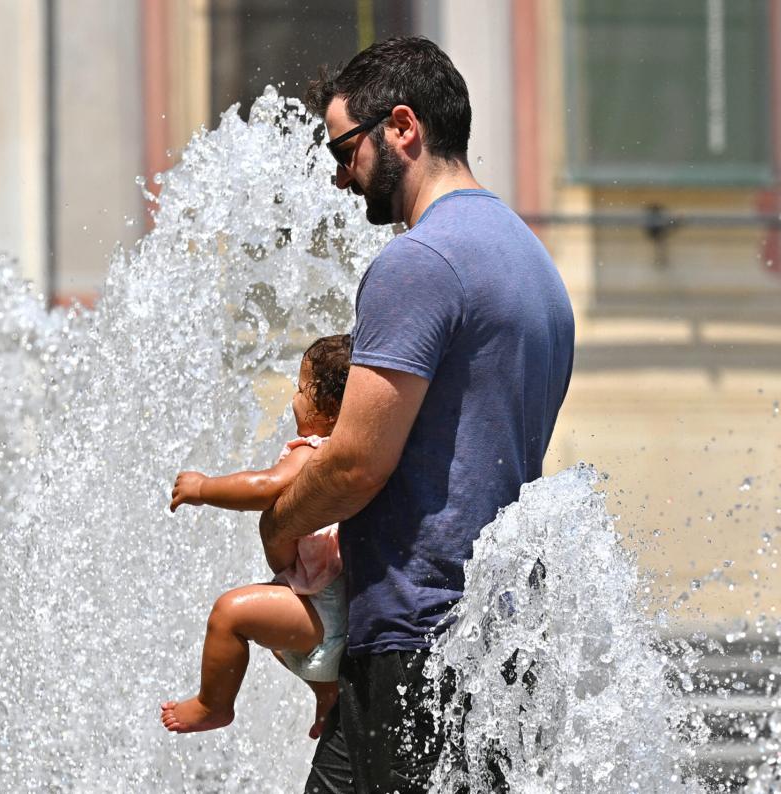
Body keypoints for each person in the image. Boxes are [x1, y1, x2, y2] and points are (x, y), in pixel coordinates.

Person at [258, 37, 576, 792]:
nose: (338, 175)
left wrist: (280, 521)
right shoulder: (532, 261)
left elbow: (356, 462)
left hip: (416, 649)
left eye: (344, 148)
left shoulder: (419, 263)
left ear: (402, 128)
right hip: (496, 648)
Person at [161, 334, 351, 740]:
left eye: (302, 390)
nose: (294, 399)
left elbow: (266, 486)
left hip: (323, 609)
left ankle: (213, 705)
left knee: (231, 615)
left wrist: (203, 489)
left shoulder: (314, 450)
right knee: (269, 630)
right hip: (326, 602)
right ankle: (327, 690)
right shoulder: (345, 452)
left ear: (330, 410)